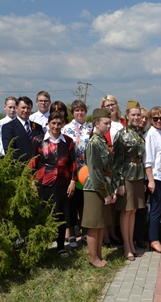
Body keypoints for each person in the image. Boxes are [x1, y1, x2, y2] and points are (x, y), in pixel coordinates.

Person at [29, 111, 77, 259]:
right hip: (44, 182)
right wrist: (31, 182)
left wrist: (73, 181)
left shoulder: (68, 141)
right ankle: (43, 246)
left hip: (63, 183)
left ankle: (61, 246)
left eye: (59, 123)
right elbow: (33, 162)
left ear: (62, 124)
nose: (56, 126)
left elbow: (73, 164)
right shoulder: (38, 140)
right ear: (48, 124)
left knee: (61, 216)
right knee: (44, 214)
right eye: (53, 123)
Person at [82, 108, 118, 268]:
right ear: (96, 123)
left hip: (104, 187)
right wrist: (104, 193)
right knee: (94, 225)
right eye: (106, 123)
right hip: (95, 189)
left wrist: (111, 190)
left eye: (110, 123)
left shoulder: (102, 141)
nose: (109, 125)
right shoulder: (93, 143)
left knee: (101, 223)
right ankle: (93, 258)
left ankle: (99, 255)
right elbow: (95, 171)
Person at [113, 100, 146, 261]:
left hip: (138, 175)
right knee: (126, 211)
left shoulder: (138, 133)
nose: (136, 117)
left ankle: (131, 243)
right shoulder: (121, 134)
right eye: (133, 114)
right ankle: (126, 246)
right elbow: (117, 161)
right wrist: (119, 183)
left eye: (138, 114)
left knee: (133, 211)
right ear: (127, 115)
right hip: (126, 176)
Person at [61, 100, 93, 245]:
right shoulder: (66, 129)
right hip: (72, 172)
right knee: (72, 204)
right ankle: (72, 234)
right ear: (73, 112)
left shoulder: (91, 128)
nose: (80, 113)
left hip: (88, 172)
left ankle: (85, 233)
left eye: (82, 110)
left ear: (85, 112)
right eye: (77, 110)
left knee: (85, 204)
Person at [144, 106, 161, 254]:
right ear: (150, 120)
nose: (159, 121)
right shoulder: (151, 135)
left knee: (160, 209)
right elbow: (147, 160)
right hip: (156, 177)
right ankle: (153, 240)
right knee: (154, 210)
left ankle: (157, 237)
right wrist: (151, 180)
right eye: (156, 118)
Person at [100, 95, 124, 246]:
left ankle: (114, 232)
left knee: (116, 202)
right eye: (107, 105)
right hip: (108, 165)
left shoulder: (122, 123)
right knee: (108, 200)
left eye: (112, 104)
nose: (110, 107)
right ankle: (106, 235)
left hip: (121, 165)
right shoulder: (102, 124)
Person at [2, 96, 44, 162]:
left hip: (37, 166)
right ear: (16, 108)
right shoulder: (8, 127)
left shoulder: (37, 127)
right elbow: (9, 150)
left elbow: (43, 146)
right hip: (19, 166)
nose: (26, 110)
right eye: (23, 108)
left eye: (28, 108)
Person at [134, 107, 150, 249]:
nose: (143, 120)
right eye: (141, 117)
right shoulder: (132, 134)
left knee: (141, 209)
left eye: (146, 118)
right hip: (135, 176)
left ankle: (139, 237)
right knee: (134, 209)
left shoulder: (147, 134)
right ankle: (133, 237)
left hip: (145, 177)